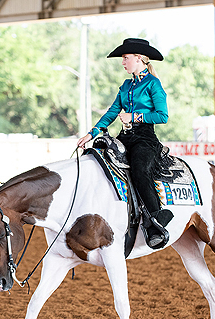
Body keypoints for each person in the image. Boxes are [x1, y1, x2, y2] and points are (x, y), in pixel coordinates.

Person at [77, 38, 173, 249]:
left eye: (126, 58)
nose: (123, 62)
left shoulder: (153, 84)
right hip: (125, 136)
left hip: (145, 138)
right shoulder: (127, 85)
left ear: (139, 59)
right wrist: (91, 134)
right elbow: (112, 112)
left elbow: (162, 116)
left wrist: (135, 117)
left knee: (139, 169)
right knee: (99, 160)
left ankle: (156, 221)